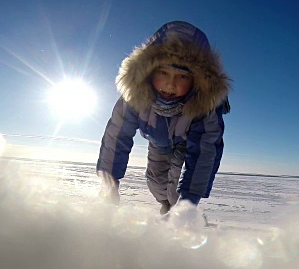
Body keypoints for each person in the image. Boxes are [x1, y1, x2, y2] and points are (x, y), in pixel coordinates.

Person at [97, 21, 230, 216]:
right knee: (156, 183)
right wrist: (109, 184)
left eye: (182, 76)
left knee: (176, 192)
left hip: (185, 145)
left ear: (196, 80)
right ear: (149, 72)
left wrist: (188, 204)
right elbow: (116, 137)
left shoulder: (203, 107)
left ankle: (182, 217)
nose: (170, 83)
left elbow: (205, 153)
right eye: (163, 72)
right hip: (158, 142)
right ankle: (166, 206)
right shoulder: (136, 97)